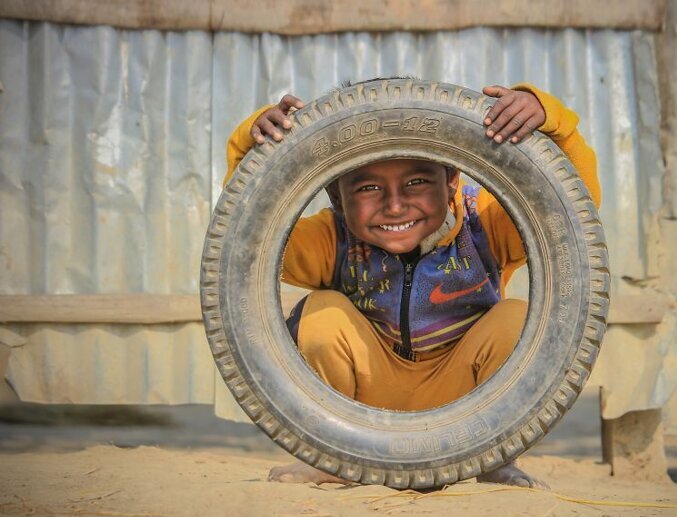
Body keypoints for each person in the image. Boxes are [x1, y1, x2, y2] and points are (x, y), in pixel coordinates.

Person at [224, 80, 601, 488]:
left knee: (515, 319)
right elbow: (250, 230)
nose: (395, 205)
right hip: (357, 408)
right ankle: (328, 459)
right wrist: (255, 145)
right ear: (334, 193)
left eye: (417, 182)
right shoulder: (330, 240)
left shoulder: (485, 224)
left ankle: (496, 459)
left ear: (452, 178)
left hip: (465, 406)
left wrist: (552, 120)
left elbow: (571, 207)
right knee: (322, 312)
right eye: (367, 188)